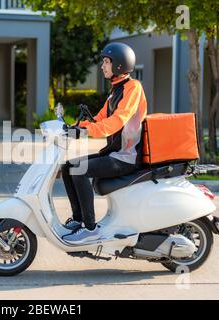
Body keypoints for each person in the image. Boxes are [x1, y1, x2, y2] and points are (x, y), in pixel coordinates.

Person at [61, 42, 147, 244]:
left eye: (106, 62)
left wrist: (86, 130)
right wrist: (73, 127)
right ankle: (79, 220)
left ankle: (90, 229)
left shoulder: (133, 88)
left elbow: (117, 121)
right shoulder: (115, 91)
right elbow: (99, 119)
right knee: (67, 167)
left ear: (118, 65)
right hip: (113, 152)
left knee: (79, 170)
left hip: (127, 157)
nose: (102, 66)